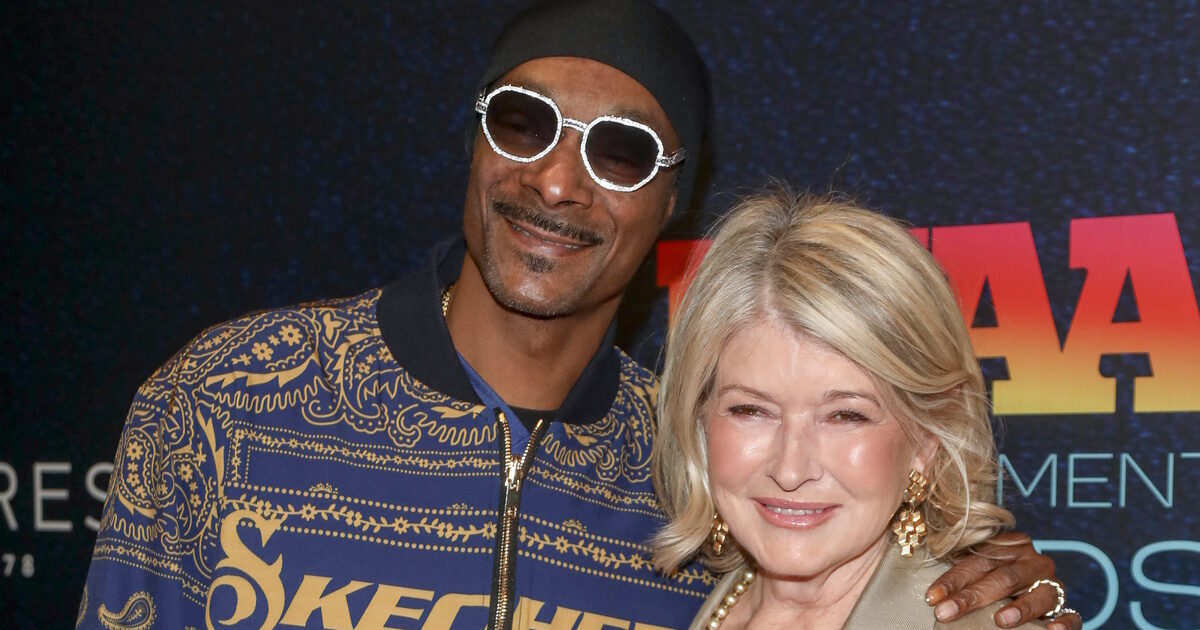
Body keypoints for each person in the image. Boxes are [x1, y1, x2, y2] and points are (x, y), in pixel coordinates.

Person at [79, 2, 1080, 629]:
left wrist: (969, 584)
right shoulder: (230, 399)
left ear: (672, 199)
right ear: (475, 142)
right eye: (524, 124)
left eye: (620, 152)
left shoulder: (689, 477)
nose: (557, 180)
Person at [652, 189, 1078, 629]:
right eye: (751, 410)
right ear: (699, 419)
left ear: (927, 440)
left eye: (845, 416)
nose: (790, 470)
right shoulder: (672, 594)